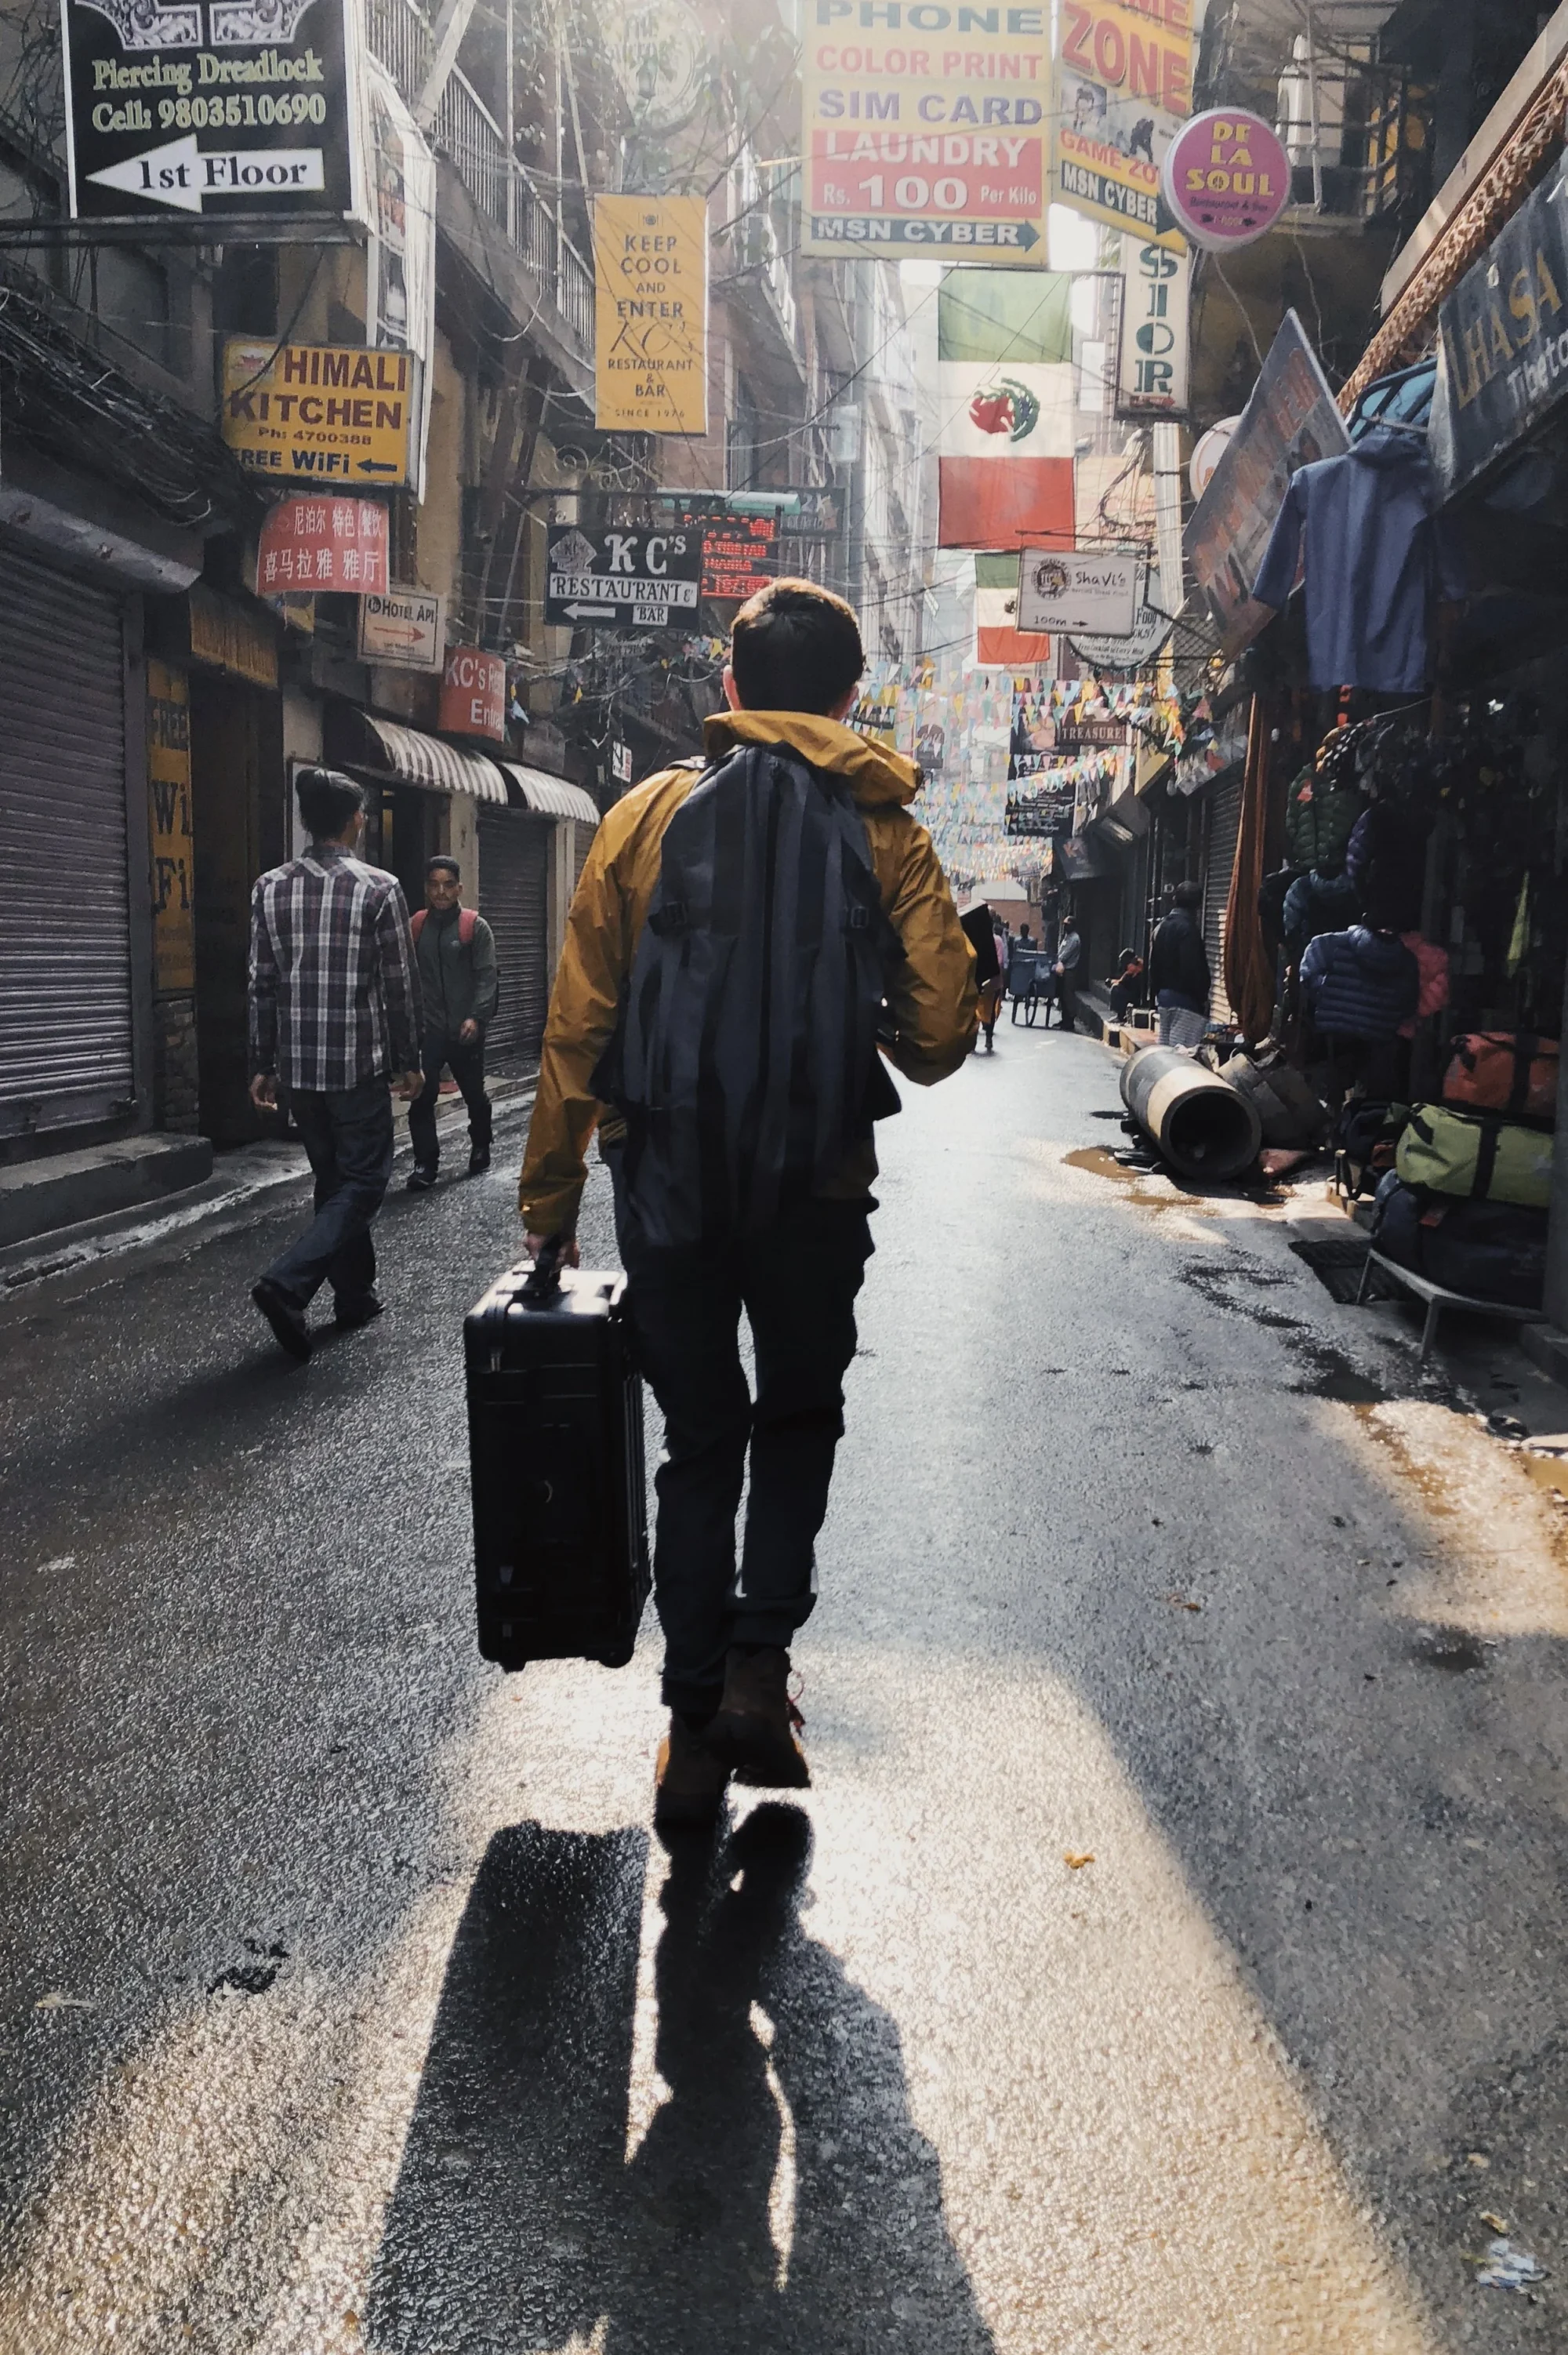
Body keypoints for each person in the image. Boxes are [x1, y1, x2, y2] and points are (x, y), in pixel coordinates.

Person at [516, 579, 977, 1826]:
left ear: (730, 685)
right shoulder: (886, 829)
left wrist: (550, 1193)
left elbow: (578, 1023)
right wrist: (862, 1021)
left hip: (666, 1184)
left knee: (700, 1438)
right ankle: (760, 1673)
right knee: (798, 1416)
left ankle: (688, 1722)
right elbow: (941, 1033)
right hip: (816, 1184)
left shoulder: (643, 817)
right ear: (849, 699)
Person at [247, 768, 424, 1361]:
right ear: (355, 821)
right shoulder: (380, 888)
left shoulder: (269, 888)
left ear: (306, 821)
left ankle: (354, 1295)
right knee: (365, 1183)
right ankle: (288, 1284)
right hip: (356, 1066)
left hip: (300, 1069)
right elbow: (399, 985)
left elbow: (261, 983)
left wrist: (263, 1063)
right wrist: (410, 1060)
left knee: (334, 1181)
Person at [406, 856, 499, 1190]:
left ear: (459, 888)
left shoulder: (475, 927)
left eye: (448, 885)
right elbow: (406, 977)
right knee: (422, 1097)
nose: (441, 892)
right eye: (434, 885)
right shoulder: (416, 927)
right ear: (426, 888)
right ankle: (425, 1164)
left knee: (474, 1095)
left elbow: (487, 977)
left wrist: (476, 1017)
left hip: (465, 1030)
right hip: (429, 1031)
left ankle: (481, 1145)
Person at [1147, 880, 1211, 1049]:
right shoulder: (1188, 930)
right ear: (1198, 905)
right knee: (1181, 1053)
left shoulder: (1161, 927)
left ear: (1174, 899)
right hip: (1185, 1002)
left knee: (1166, 1051)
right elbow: (1192, 969)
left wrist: (1156, 994)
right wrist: (1202, 998)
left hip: (1164, 999)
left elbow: (1153, 965)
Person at [1053, 914, 1082, 1031]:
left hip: (1069, 970)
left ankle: (1069, 1021)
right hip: (1063, 970)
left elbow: (1065, 955)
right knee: (1063, 997)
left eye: (1067, 924)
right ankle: (1064, 1019)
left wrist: (1058, 960)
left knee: (1068, 996)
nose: (1065, 927)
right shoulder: (1067, 937)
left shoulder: (1074, 939)